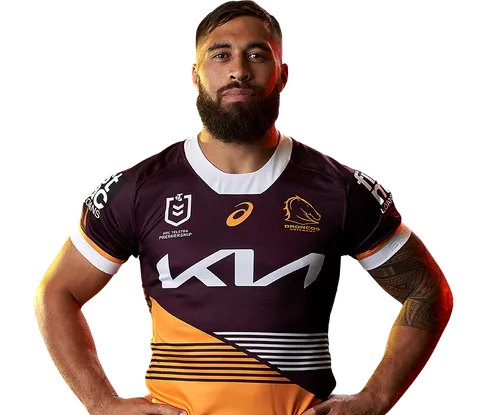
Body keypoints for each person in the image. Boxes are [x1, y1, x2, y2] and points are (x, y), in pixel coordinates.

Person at [31, 0, 456, 414]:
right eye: (221, 55)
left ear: (284, 73)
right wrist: (100, 403)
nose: (238, 70)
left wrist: (376, 398)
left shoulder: (340, 188)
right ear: (193, 74)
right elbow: (57, 293)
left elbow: (428, 290)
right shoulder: (139, 188)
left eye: (256, 54)